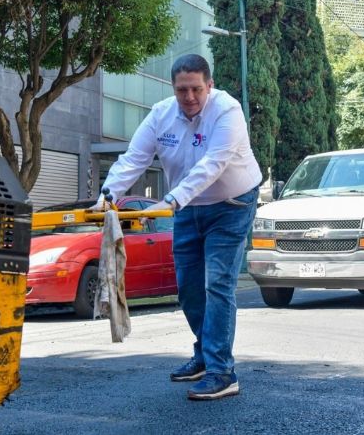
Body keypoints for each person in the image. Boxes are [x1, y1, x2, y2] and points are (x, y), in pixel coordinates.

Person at [96, 54, 261, 400]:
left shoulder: (227, 111)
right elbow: (133, 159)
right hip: (186, 206)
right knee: (187, 287)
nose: (189, 97)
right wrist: (107, 196)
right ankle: (204, 354)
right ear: (173, 88)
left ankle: (221, 371)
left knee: (217, 283)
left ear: (209, 85)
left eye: (196, 89)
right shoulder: (160, 115)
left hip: (230, 205)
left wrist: (169, 201)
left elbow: (212, 165)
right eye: (182, 90)